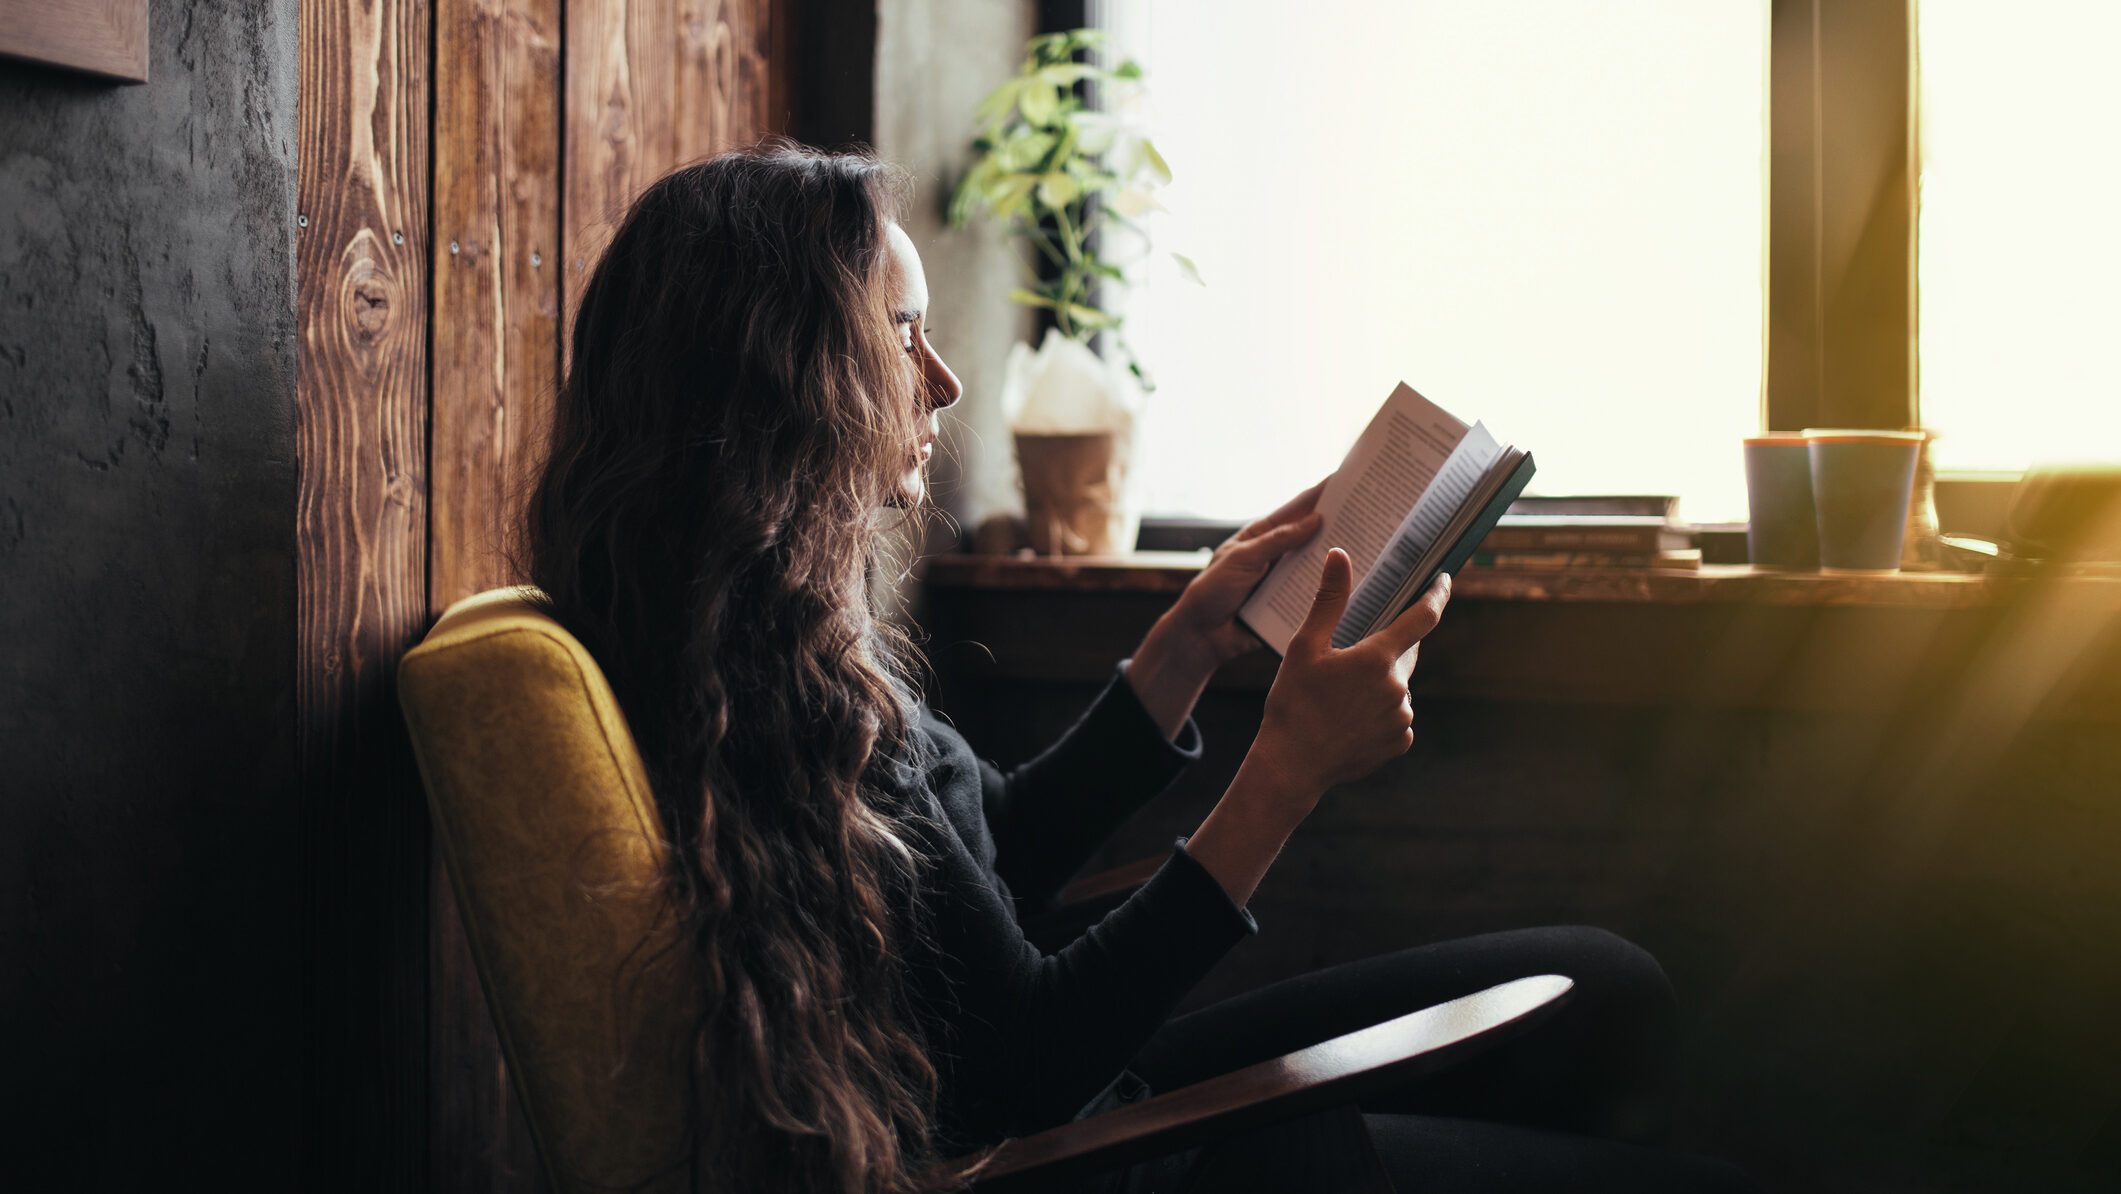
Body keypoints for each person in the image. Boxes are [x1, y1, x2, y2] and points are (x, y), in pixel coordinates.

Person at [525, 144, 1758, 1194]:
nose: (943, 381)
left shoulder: (745, 636)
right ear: (791, 377)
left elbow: (980, 864)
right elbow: (1028, 1061)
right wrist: (1283, 773)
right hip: (1089, 1154)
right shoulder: (771, 697)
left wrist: (1182, 647)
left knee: (1609, 982)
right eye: (901, 335)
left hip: (1083, 1106)